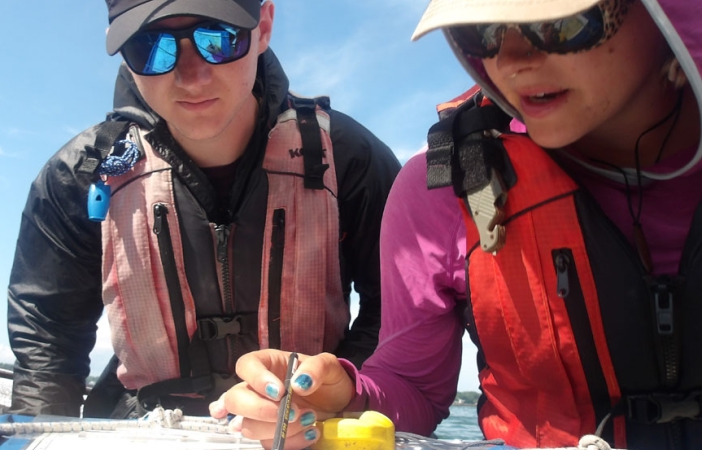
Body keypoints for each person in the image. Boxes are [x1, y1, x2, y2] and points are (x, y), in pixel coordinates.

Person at [214, 0, 702, 448]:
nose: (511, 61)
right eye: (482, 31)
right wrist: (340, 394)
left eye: (559, 22)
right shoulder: (440, 189)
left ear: (669, 17)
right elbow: (415, 390)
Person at [6, 0, 400, 419]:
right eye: (150, 47)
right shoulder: (79, 175)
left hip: (308, 426)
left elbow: (397, 317)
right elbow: (48, 339)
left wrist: (338, 391)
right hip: (143, 429)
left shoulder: (349, 158)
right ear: (121, 51)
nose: (192, 77)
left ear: (263, 27)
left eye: (220, 38)